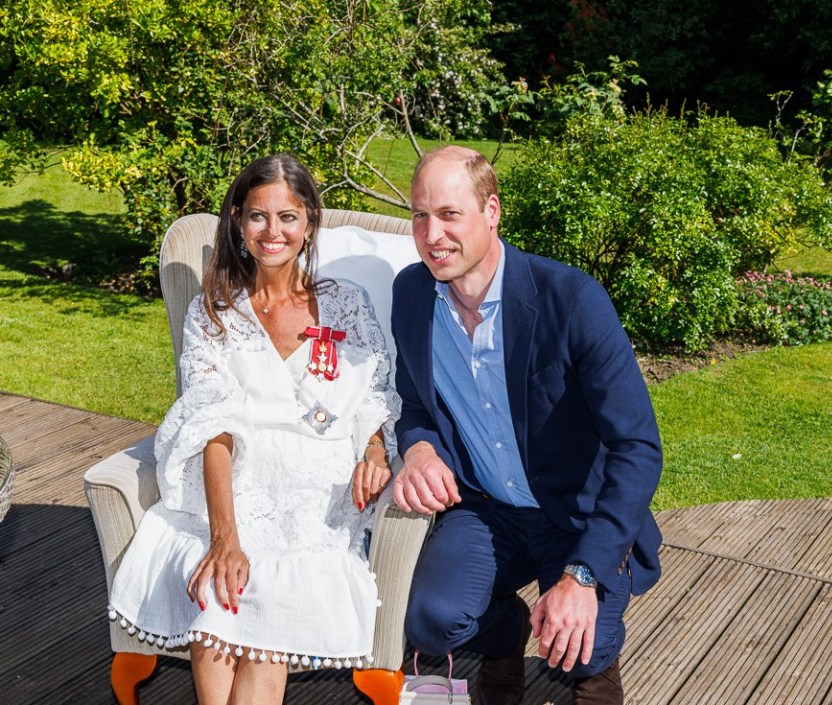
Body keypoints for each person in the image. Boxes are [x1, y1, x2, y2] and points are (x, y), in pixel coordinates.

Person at [108, 154, 401, 705]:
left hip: (318, 490)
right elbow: (210, 428)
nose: (273, 232)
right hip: (235, 486)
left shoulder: (347, 304)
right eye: (258, 217)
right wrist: (225, 538)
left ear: (310, 221)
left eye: (288, 216)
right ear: (238, 222)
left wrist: (376, 450)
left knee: (267, 613)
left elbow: (373, 397)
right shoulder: (213, 312)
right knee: (220, 593)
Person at [390, 146, 663, 705]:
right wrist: (418, 449)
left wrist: (582, 576)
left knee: (579, 648)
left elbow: (637, 445)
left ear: (491, 211)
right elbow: (415, 406)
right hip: (487, 509)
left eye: (449, 214)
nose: (431, 234)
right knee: (430, 620)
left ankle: (597, 664)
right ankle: (505, 633)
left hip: (575, 515)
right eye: (420, 215)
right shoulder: (411, 294)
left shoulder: (572, 298)